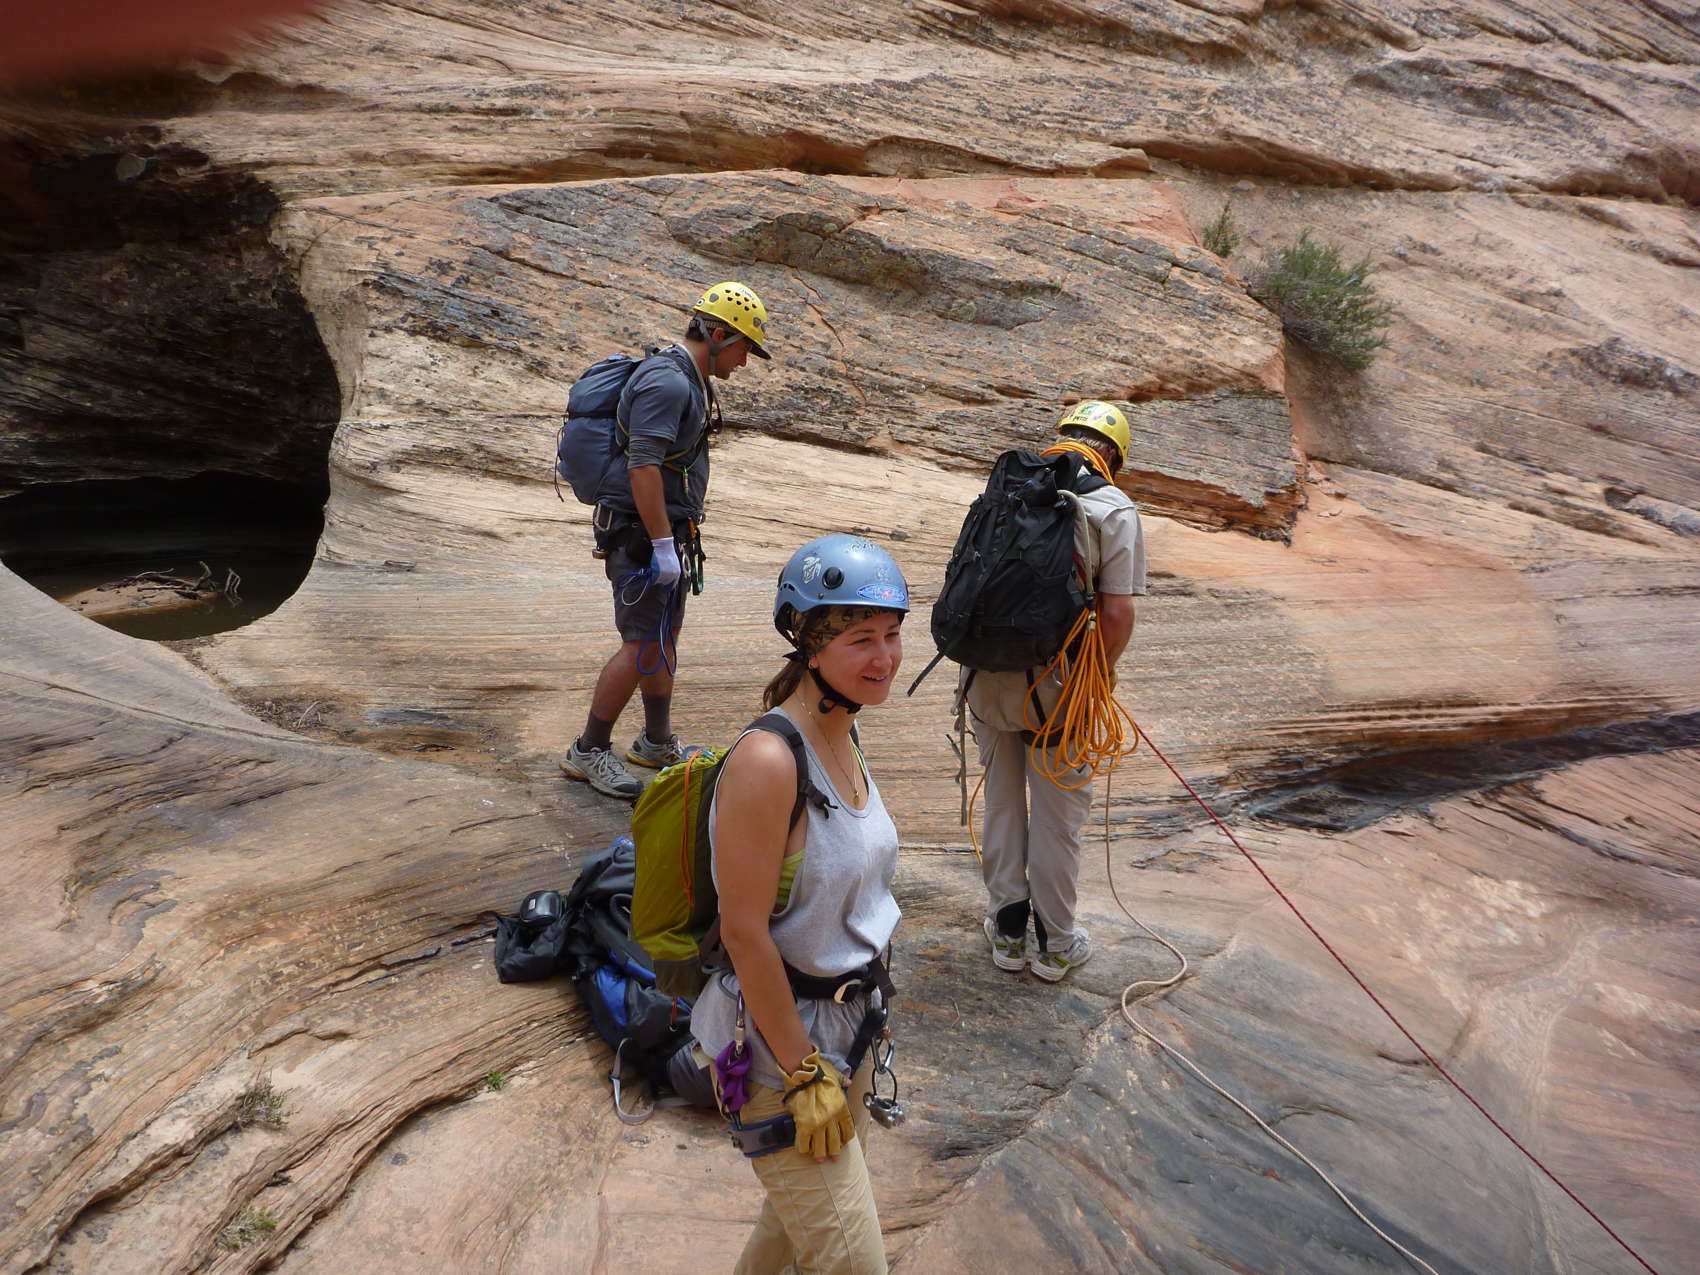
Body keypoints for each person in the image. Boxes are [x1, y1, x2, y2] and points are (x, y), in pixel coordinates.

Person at [690, 533, 910, 1275]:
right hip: (779, 1053)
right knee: (852, 1261)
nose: (885, 657)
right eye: (860, 639)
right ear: (811, 645)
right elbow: (744, 932)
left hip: (848, 1028)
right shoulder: (769, 759)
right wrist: (802, 1071)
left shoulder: (844, 731)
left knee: (788, 1238)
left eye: (892, 634)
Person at [559, 282, 770, 799]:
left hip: (664, 531)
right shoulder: (669, 383)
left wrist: (671, 541)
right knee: (639, 644)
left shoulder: (689, 379)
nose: (745, 361)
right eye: (744, 348)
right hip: (639, 534)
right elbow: (643, 467)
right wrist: (659, 545)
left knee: (661, 637)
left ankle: (655, 741)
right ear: (719, 336)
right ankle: (588, 749)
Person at [965, 401, 1147, 982]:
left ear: (1064, 437)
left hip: (986, 674)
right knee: (1057, 815)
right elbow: (1115, 613)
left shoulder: (1010, 485)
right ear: (1115, 456)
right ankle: (1056, 943)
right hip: (1059, 685)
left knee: (1001, 800)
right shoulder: (1113, 508)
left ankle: (1008, 932)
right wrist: (1100, 678)